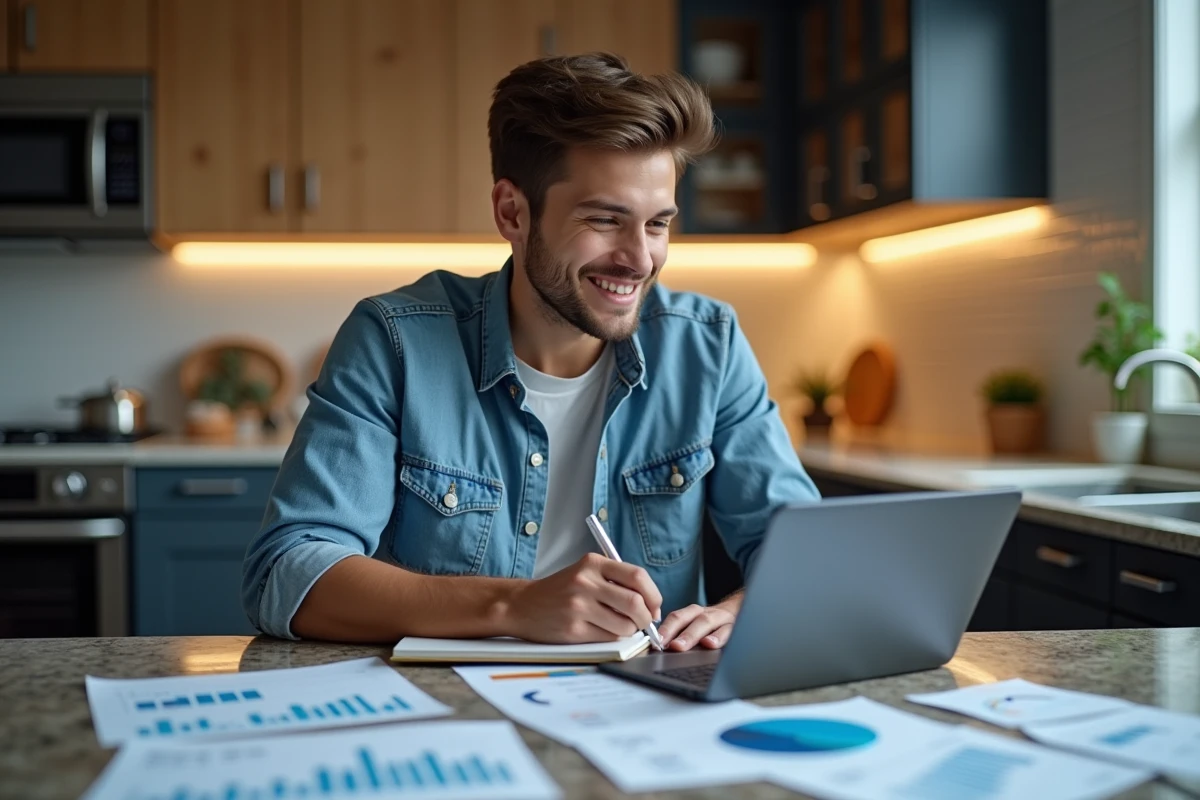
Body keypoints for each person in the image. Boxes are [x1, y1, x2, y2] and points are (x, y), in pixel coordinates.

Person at [241, 52, 819, 650]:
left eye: (657, 224)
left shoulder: (707, 345)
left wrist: (750, 610)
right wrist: (512, 606)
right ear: (512, 213)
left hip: (649, 694)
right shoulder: (395, 340)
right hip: (449, 696)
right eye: (605, 220)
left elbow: (807, 549)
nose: (640, 259)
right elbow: (286, 573)